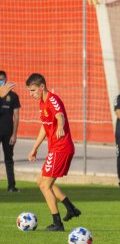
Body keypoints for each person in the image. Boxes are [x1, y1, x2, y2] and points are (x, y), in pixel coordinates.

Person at [26, 73, 81, 231]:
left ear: (42, 87)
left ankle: (57, 223)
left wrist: (61, 126)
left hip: (61, 148)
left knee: (45, 185)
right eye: (29, 91)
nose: (31, 94)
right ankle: (70, 208)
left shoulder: (52, 99)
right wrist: (34, 148)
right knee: (42, 182)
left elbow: (60, 115)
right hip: (55, 149)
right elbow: (45, 126)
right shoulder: (42, 103)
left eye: (33, 90)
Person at [0, 71, 20, 192]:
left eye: (2, 79)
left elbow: (16, 116)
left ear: (6, 80)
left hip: (8, 133)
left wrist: (14, 134)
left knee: (9, 159)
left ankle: (11, 186)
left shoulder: (13, 96)